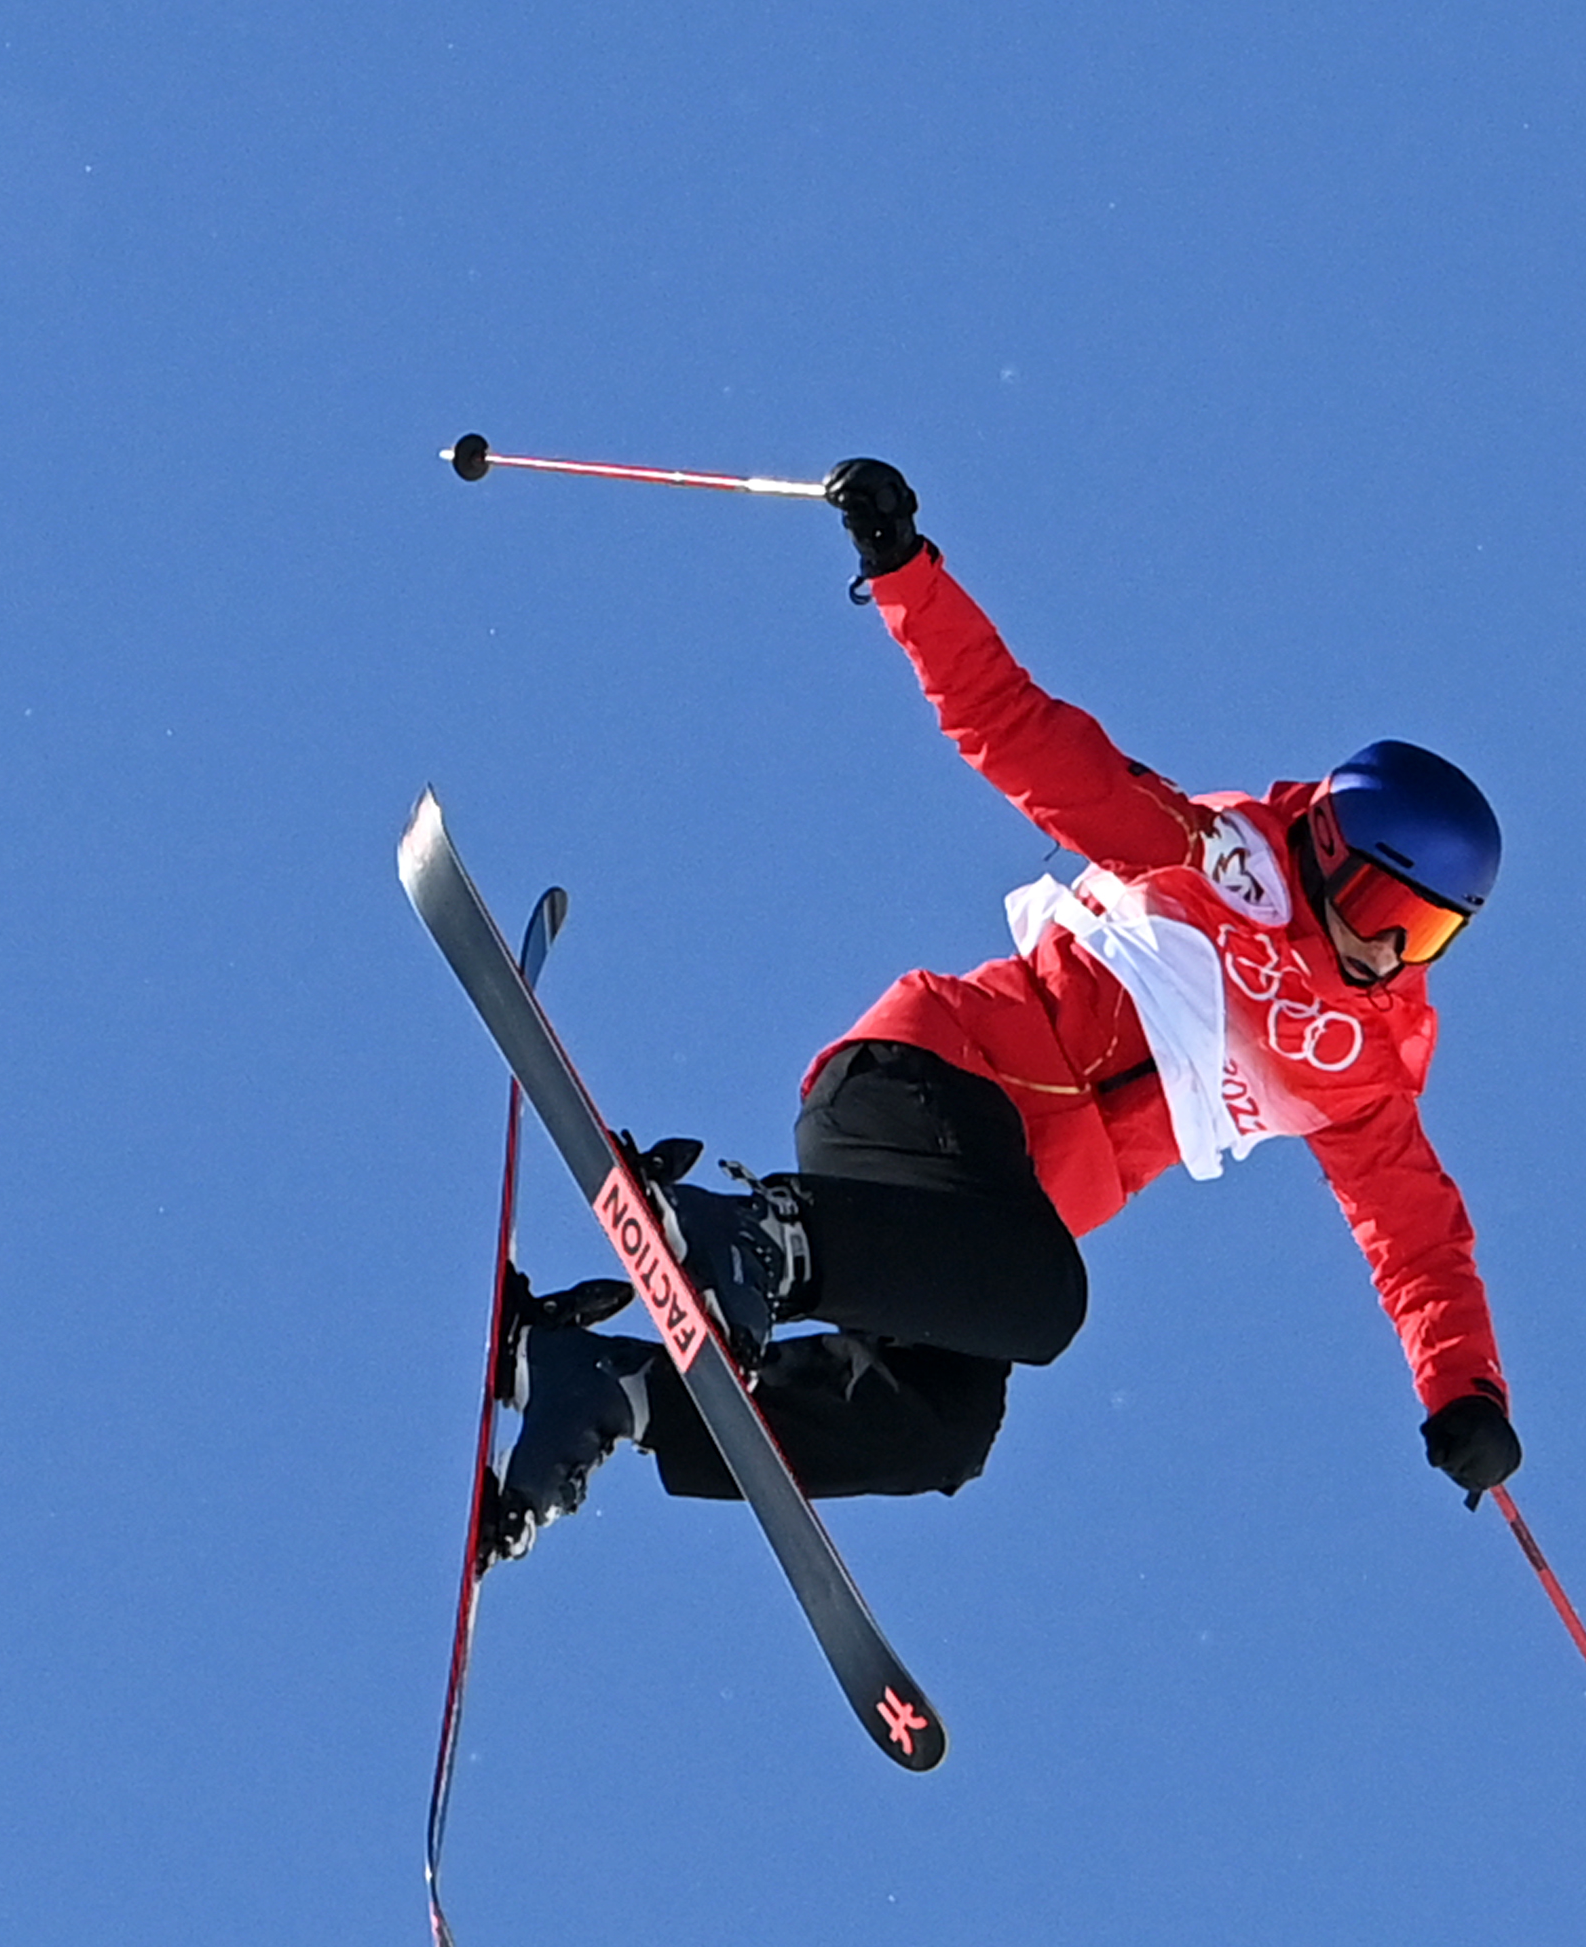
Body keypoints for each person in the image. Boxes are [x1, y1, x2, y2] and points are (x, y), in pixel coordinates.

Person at [484, 456, 1519, 1558]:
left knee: (941, 1427)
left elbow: (1417, 1236)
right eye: (1378, 900)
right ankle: (757, 1239)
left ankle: (606, 1388)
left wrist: (1466, 1390)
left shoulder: (1360, 1057)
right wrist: (904, 572)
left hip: (974, 1224)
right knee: (1045, 1300)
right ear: (1324, 841)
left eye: (1426, 932)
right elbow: (1012, 727)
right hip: (919, 1088)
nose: (1383, 944)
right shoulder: (1201, 853)